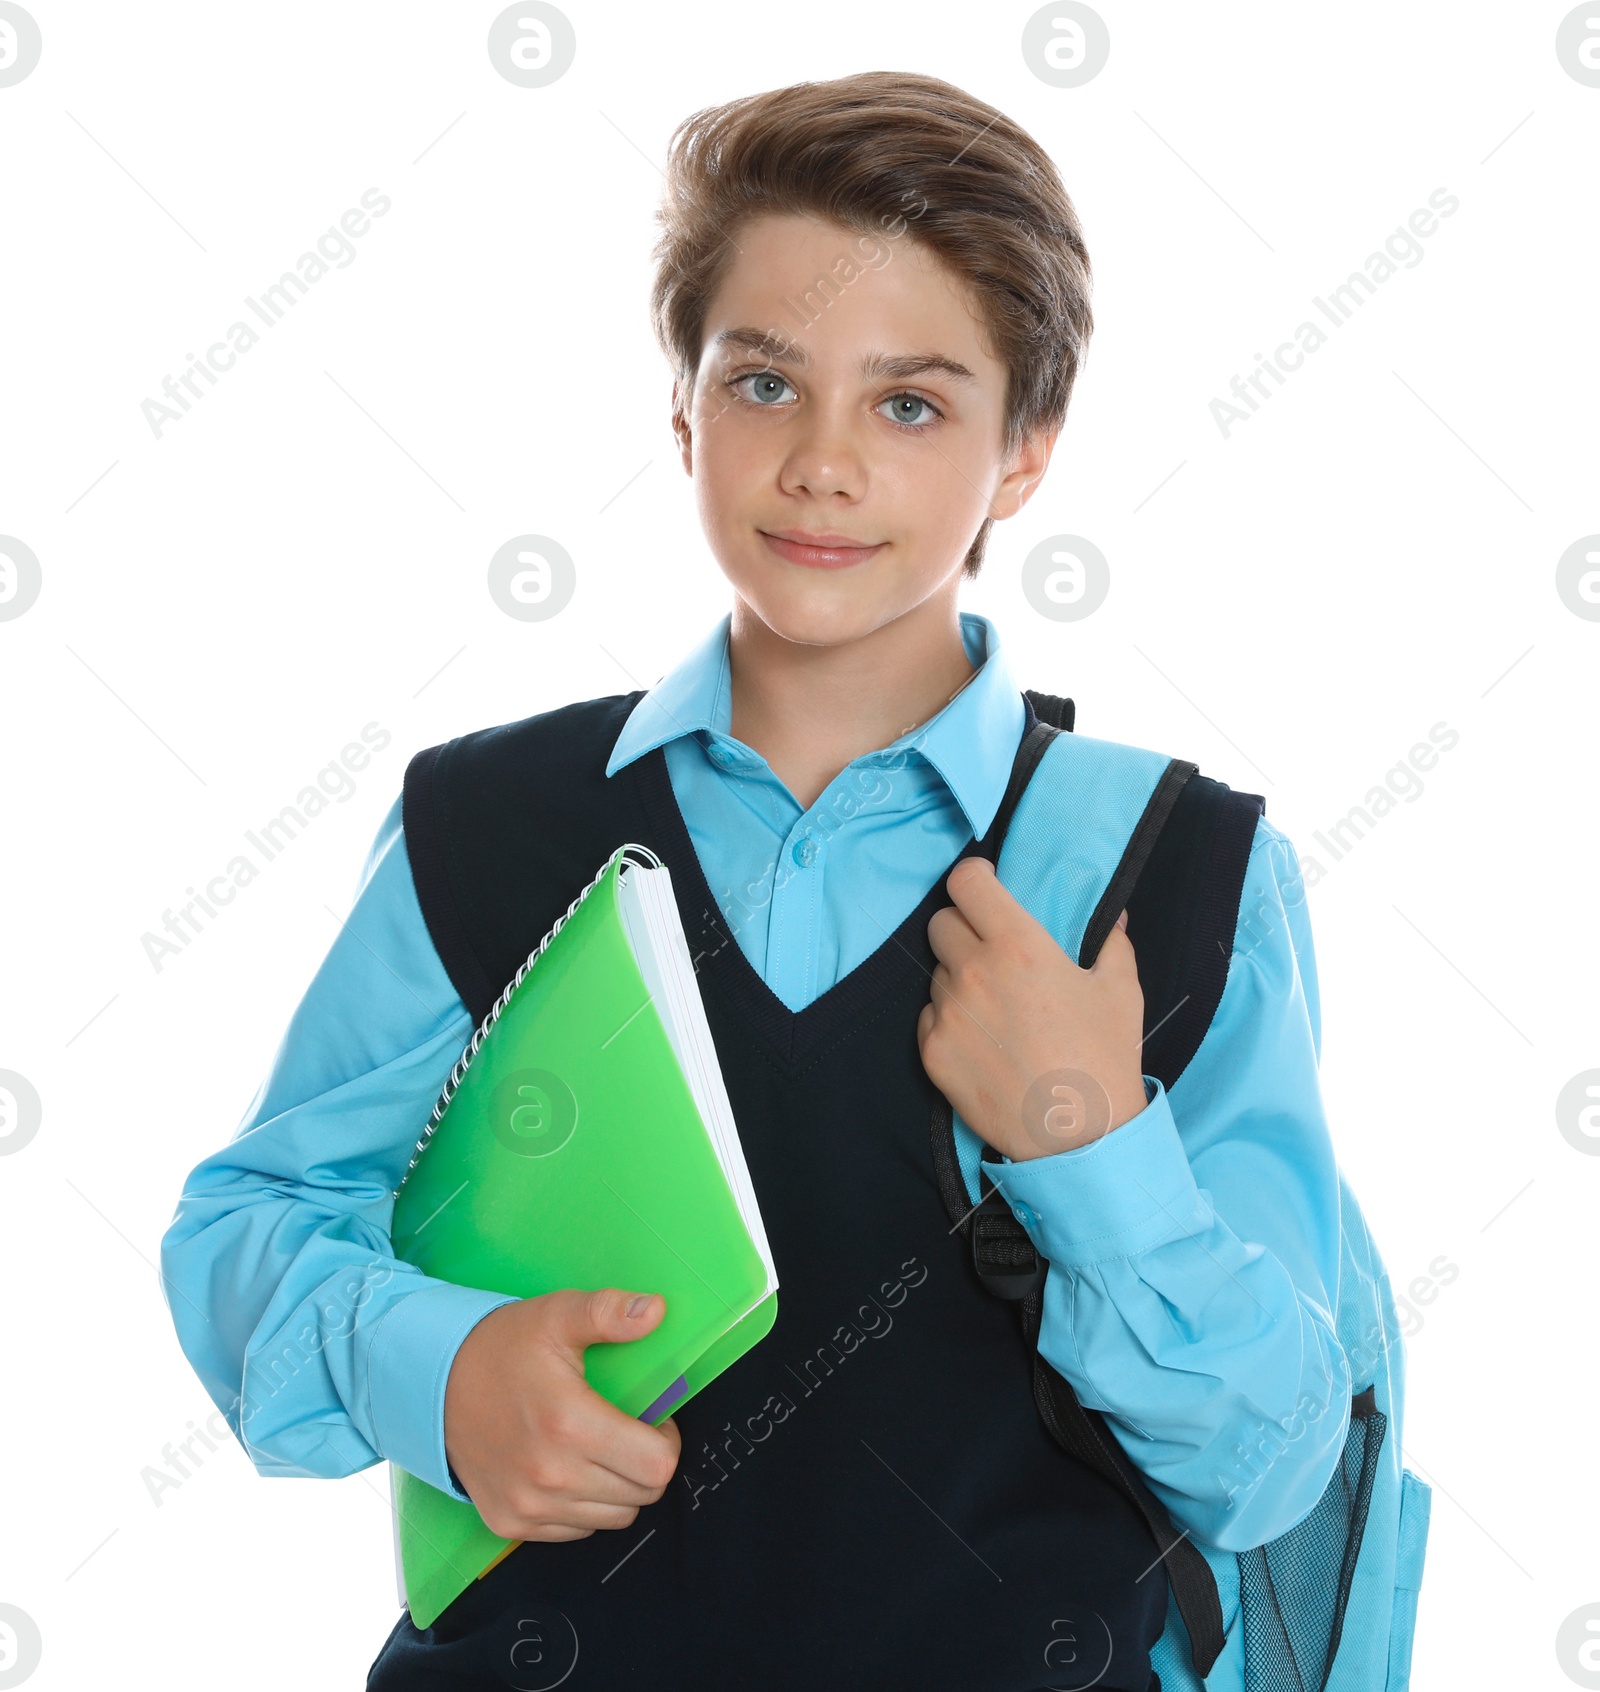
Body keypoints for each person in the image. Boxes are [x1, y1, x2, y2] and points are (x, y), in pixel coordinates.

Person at [161, 72, 1369, 1691]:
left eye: (913, 403)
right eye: (763, 383)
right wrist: (439, 1376)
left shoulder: (1187, 873)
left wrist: (1092, 1140)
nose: (820, 463)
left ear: (1027, 453)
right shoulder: (485, 822)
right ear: (682, 411)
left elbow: (1277, 1459)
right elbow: (249, 1223)